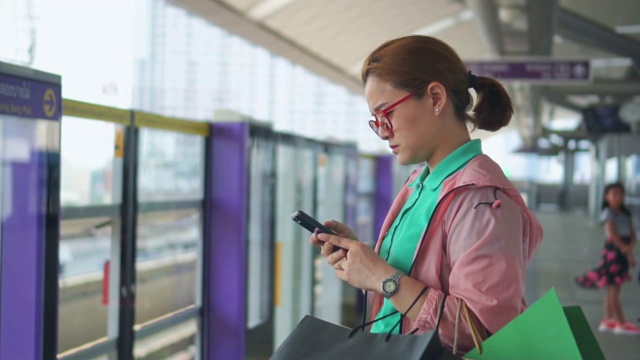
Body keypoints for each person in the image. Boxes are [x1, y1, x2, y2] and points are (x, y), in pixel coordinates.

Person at [309, 35, 543, 355]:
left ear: (435, 97)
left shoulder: (482, 200)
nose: (382, 130)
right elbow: (408, 287)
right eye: (375, 120)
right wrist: (365, 262)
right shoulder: (422, 181)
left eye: (386, 113)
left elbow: (481, 334)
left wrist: (382, 276)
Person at [575, 182, 639, 335]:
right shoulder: (608, 213)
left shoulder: (626, 214)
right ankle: (622, 322)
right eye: (614, 194)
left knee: (612, 288)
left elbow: (632, 234)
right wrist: (626, 251)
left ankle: (608, 319)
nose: (618, 197)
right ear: (607, 197)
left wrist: (630, 249)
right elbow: (613, 235)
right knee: (614, 289)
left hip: (622, 251)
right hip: (614, 253)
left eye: (620, 194)